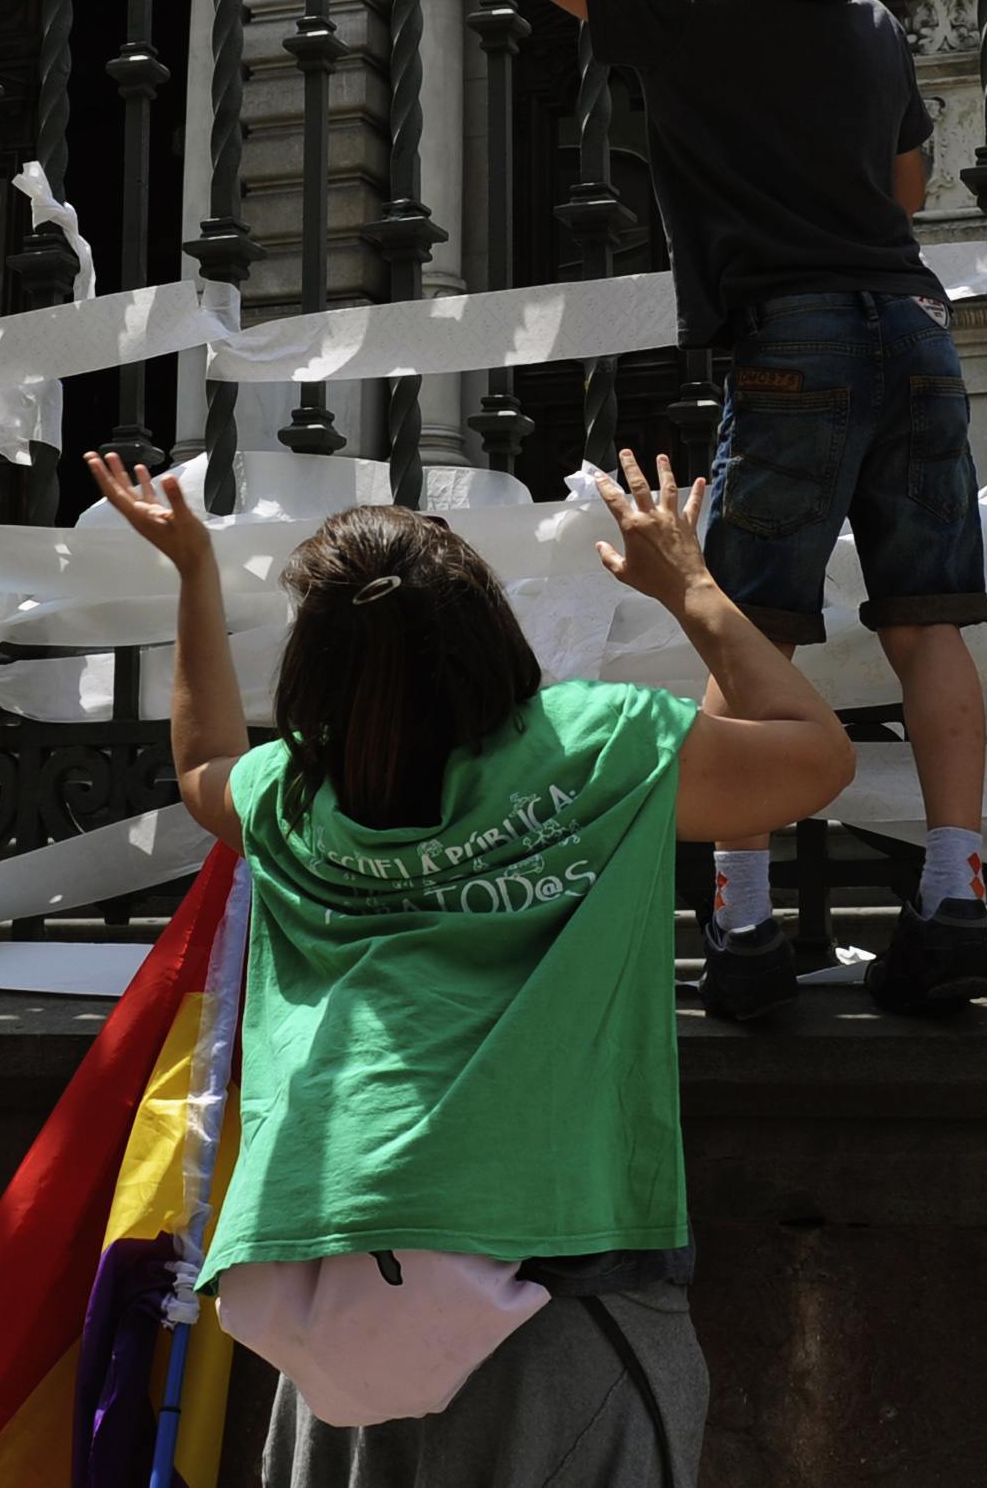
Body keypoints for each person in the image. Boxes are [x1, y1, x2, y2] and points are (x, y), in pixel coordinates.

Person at [249, 0, 987, 1021]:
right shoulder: (871, 28)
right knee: (930, 625)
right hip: (911, 330)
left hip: (794, 337)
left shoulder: (694, 13)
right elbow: (910, 186)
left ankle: (746, 925)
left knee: (743, 625)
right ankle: (955, 896)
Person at [85, 445, 853, 1487]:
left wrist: (195, 575)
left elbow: (198, 768)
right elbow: (814, 755)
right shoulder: (603, 749)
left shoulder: (292, 801)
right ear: (490, 635)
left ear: (313, 670)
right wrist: (690, 585)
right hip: (563, 1288)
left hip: (334, 1297)